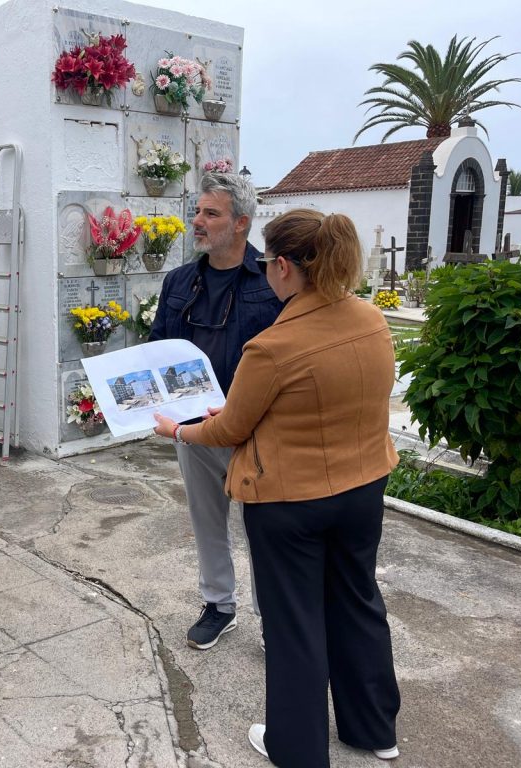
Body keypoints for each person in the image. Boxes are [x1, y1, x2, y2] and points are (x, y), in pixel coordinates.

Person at [152, 208, 402, 767]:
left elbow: (230, 429)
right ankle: (374, 729)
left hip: (292, 503)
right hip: (362, 489)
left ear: (285, 267)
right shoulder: (371, 319)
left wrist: (180, 429)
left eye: (270, 262)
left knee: (296, 623)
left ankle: (296, 747)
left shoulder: (273, 346)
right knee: (359, 602)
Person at [148, 171, 282, 650]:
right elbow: (158, 346)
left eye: (211, 213)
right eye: (197, 211)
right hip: (194, 429)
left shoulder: (272, 281)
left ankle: (273, 619)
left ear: (241, 222)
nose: (197, 222)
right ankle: (219, 605)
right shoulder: (179, 281)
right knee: (207, 521)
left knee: (264, 530)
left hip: (254, 430)